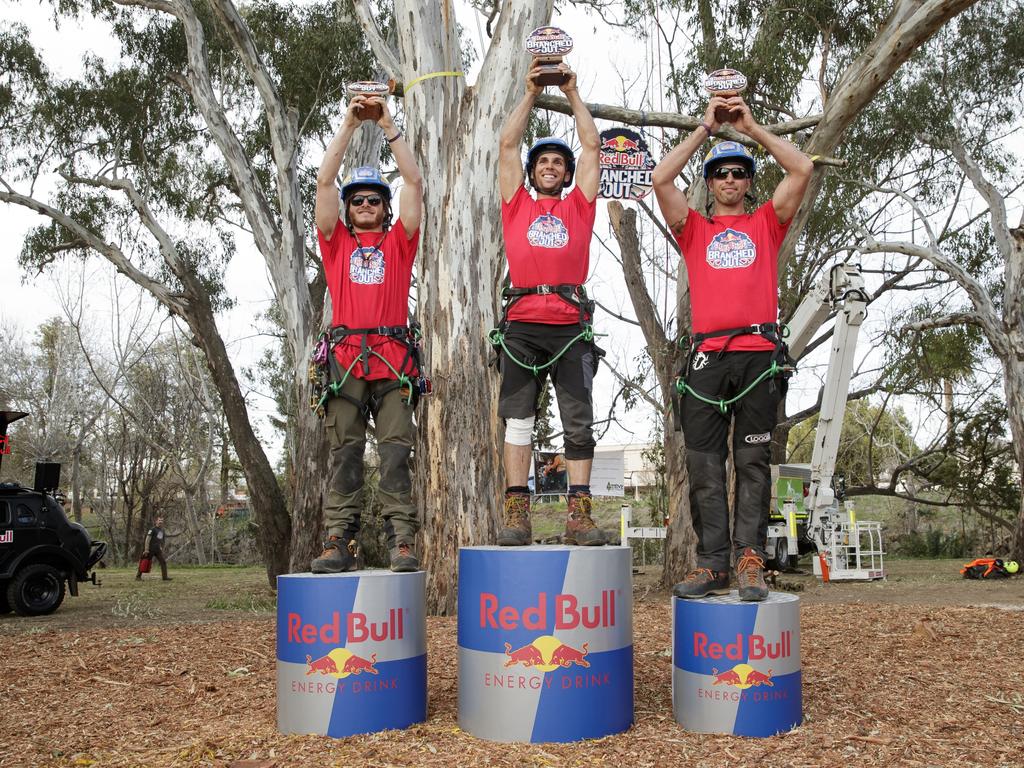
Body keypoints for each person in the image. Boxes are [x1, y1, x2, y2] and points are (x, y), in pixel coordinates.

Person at [652, 93, 813, 601]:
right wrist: (705, 129)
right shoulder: (694, 229)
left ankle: (749, 560)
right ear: (709, 184)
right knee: (703, 466)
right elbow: (659, 180)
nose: (728, 179)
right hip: (705, 361)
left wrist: (751, 126)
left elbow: (802, 166)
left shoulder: (767, 222)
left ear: (747, 182)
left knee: (751, 464)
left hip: (759, 359)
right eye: (719, 173)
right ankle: (712, 563)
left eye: (738, 173)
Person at [310, 89, 424, 574]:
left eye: (374, 199)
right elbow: (323, 183)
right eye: (356, 200)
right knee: (346, 452)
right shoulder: (335, 245)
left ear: (385, 208)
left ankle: (401, 540)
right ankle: (339, 540)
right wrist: (351, 123)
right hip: (344, 362)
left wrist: (388, 122)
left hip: (393, 358)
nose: (363, 205)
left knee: (397, 452)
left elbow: (415, 182)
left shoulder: (401, 244)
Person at [494, 62, 607, 547]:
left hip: (570, 328)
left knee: (577, 422)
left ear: (564, 174)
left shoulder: (578, 205)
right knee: (518, 421)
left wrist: (574, 92)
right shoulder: (515, 203)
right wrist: (531, 93)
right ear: (532, 170)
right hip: (520, 326)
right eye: (542, 161)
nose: (550, 166)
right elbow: (505, 146)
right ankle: (517, 514)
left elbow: (592, 147)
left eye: (557, 163)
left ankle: (578, 515)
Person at [136, 516, 171, 581]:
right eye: (159, 520)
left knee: (163, 562)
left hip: (157, 550)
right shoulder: (152, 529)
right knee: (144, 561)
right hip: (150, 549)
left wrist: (162, 548)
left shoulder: (162, 530)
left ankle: (165, 577)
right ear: (156, 521)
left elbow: (162, 541)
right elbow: (147, 539)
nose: (161, 522)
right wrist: (146, 549)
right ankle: (138, 577)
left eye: (162, 520)